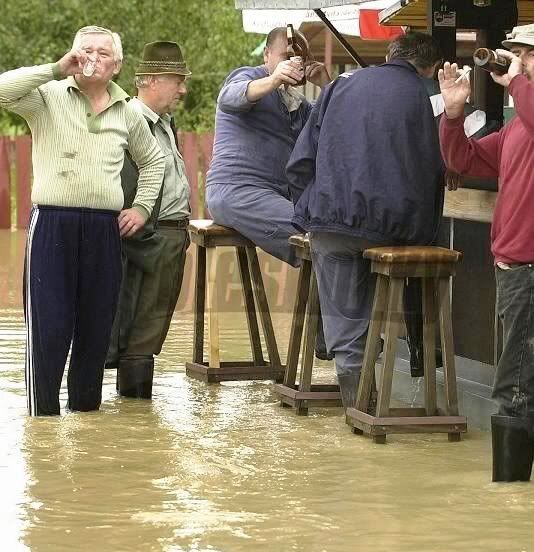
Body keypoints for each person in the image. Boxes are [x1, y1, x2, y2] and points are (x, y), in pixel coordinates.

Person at [438, 22, 534, 481]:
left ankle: (511, 505)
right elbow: (462, 160)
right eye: (517, 52)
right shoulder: (520, 125)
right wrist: (454, 115)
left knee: (513, 386)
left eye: (532, 54)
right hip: (522, 269)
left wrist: (517, 82)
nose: (520, 60)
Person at [0, 26, 165, 416]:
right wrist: (55, 68)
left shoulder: (128, 110)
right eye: (85, 50)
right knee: (50, 328)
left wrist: (141, 207)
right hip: (52, 225)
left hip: (103, 230)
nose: (93, 57)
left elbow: (152, 160)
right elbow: (3, 90)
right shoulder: (46, 96)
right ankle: (43, 423)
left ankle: (87, 421)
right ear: (73, 56)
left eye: (102, 52)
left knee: (95, 331)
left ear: (117, 65)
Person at [286, 32, 445, 409]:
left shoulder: (340, 85)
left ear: (390, 54)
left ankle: (358, 410)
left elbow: (299, 162)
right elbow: (431, 172)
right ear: (430, 68)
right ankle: (380, 397)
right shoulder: (419, 97)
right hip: (391, 230)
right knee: (379, 299)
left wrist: (309, 209)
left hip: (331, 225)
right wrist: (423, 236)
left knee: (346, 323)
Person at [205, 26, 332, 357]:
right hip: (235, 191)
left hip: (270, 197)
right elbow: (231, 96)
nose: (291, 65)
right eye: (284, 57)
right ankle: (332, 336)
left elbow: (331, 129)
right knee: (317, 237)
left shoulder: (298, 104)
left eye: (298, 60)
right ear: (267, 56)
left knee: (330, 235)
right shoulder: (250, 77)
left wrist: (327, 86)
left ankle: (329, 336)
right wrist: (275, 78)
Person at [106, 41, 191, 399]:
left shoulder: (164, 123)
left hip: (164, 237)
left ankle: (129, 428)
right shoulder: (131, 122)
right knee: (138, 335)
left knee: (142, 333)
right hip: (149, 238)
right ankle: (133, 421)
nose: (183, 89)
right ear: (151, 80)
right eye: (177, 80)